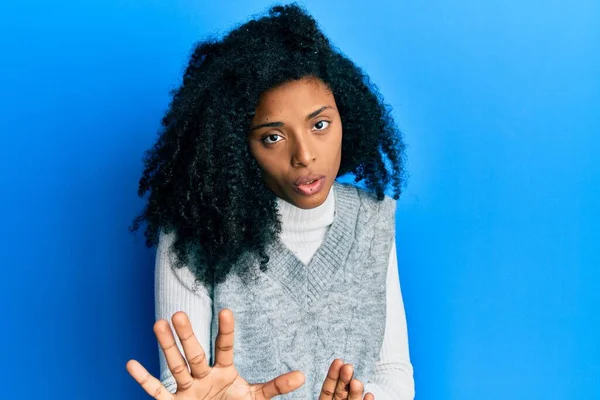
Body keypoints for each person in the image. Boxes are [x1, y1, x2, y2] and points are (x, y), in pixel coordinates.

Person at [126, 3, 414, 399]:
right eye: (272, 137)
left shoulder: (374, 218)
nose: (304, 155)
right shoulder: (193, 233)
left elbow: (393, 370)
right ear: (236, 147)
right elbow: (186, 386)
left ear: (347, 117)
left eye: (320, 125)